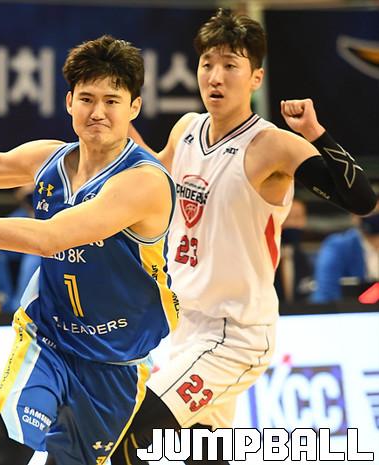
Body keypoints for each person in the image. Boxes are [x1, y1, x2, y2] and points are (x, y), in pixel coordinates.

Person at [0, 34, 180, 465]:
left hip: (115, 362)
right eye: (87, 99)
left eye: (112, 101)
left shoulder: (144, 182)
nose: (97, 112)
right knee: (3, 452)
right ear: (69, 102)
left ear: (134, 107)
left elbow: (49, 238)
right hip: (48, 337)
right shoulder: (48, 159)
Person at [111, 9, 377, 465]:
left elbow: (362, 200)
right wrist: (113, 124)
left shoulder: (273, 145)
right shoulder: (186, 129)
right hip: (184, 326)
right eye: (207, 64)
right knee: (201, 451)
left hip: (235, 334)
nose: (215, 77)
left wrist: (314, 133)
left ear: (256, 77)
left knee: (134, 436)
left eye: (230, 65)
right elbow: (148, 173)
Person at [311, 210, 379, 303]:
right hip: (350, 309)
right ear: (354, 216)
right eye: (370, 212)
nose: (375, 216)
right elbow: (325, 293)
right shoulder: (338, 246)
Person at [274, 197, 314, 303]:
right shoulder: (265, 258)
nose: (292, 223)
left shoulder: (306, 260)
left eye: (297, 217)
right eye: (287, 217)